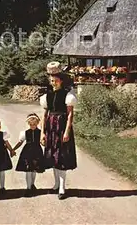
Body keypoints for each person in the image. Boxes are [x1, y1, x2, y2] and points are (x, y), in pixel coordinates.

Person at [39, 61, 78, 200]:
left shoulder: (67, 95)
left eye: (55, 80)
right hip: (51, 128)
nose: (53, 83)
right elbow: (44, 115)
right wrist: (42, 132)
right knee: (53, 156)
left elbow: (70, 115)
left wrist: (67, 131)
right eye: (51, 81)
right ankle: (55, 184)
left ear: (61, 81)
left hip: (61, 127)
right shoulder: (47, 96)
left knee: (61, 157)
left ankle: (62, 187)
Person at [13, 113, 45, 197]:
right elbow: (20, 142)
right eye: (30, 124)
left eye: (34, 124)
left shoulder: (40, 133)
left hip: (37, 152)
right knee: (28, 170)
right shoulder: (25, 133)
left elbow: (43, 143)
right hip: (27, 153)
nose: (32, 126)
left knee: (34, 170)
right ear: (28, 124)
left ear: (37, 123)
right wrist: (13, 149)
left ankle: (32, 184)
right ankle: (28, 187)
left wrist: (45, 143)